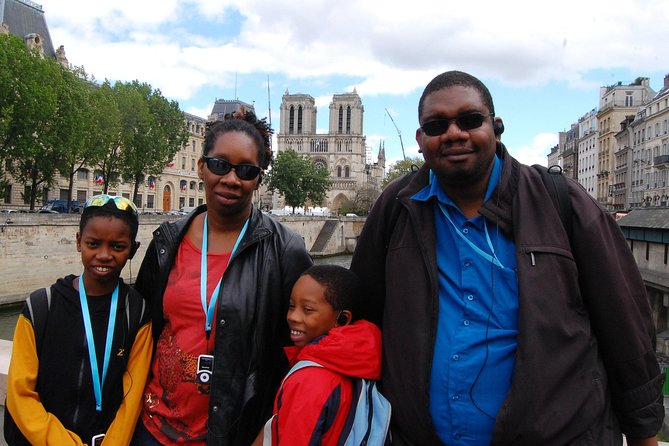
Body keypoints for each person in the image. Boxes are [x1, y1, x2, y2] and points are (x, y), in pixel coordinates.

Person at [350, 70, 664, 445]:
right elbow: (362, 313)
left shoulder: (561, 202)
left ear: (496, 127)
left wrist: (644, 433)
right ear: (420, 140)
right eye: (436, 125)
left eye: (469, 120)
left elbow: (624, 323)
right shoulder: (396, 206)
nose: (454, 133)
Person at [132, 110, 313, 445]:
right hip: (153, 429)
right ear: (202, 167)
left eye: (245, 170)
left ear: (258, 178)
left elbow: (306, 352)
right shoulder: (166, 242)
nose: (231, 178)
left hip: (235, 433)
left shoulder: (285, 250)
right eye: (219, 165)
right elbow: (142, 330)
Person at [5, 194, 153, 445]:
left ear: (133, 250)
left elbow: (133, 397)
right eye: (93, 244)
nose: (104, 255)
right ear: (78, 242)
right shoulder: (41, 307)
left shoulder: (137, 313)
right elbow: (20, 393)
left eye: (117, 247)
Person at [255, 264, 382, 445]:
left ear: (342, 319)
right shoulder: (359, 361)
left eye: (307, 309)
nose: (293, 316)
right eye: (291, 306)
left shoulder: (308, 380)